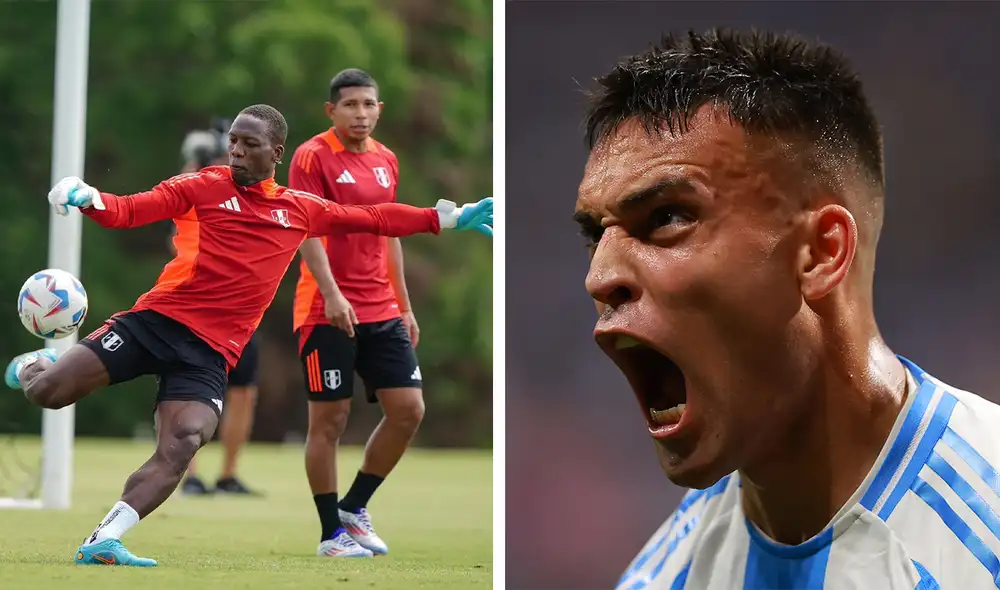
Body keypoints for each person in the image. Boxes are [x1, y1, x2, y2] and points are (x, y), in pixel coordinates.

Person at [576, 29, 999, 589]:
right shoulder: (664, 577)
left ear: (822, 253)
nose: (599, 277)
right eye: (595, 236)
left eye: (666, 218)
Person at [3, 103, 492, 568]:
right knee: (49, 394)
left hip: (210, 354)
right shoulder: (201, 186)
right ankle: (34, 365)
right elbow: (128, 209)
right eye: (233, 141)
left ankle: (104, 539)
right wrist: (91, 198)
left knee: (186, 441)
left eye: (248, 143)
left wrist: (448, 218)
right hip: (156, 323)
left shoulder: (299, 209)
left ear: (275, 153)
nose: (235, 151)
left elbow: (373, 218)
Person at [285, 68, 442, 558]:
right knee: (329, 422)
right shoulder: (312, 156)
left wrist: (404, 305)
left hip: (381, 308)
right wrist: (332, 293)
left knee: (408, 410)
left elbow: (389, 231)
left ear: (380, 109)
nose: (361, 113)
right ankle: (331, 534)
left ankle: (354, 507)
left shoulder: (386, 161)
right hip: (323, 307)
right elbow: (306, 231)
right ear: (331, 111)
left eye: (369, 104)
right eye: (351, 105)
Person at [173, 122, 262, 496]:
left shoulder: (244, 191)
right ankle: (189, 475)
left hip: (239, 307)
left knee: (243, 390)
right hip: (193, 302)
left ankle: (228, 474)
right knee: (186, 390)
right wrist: (191, 161)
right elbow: (176, 191)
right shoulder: (195, 186)